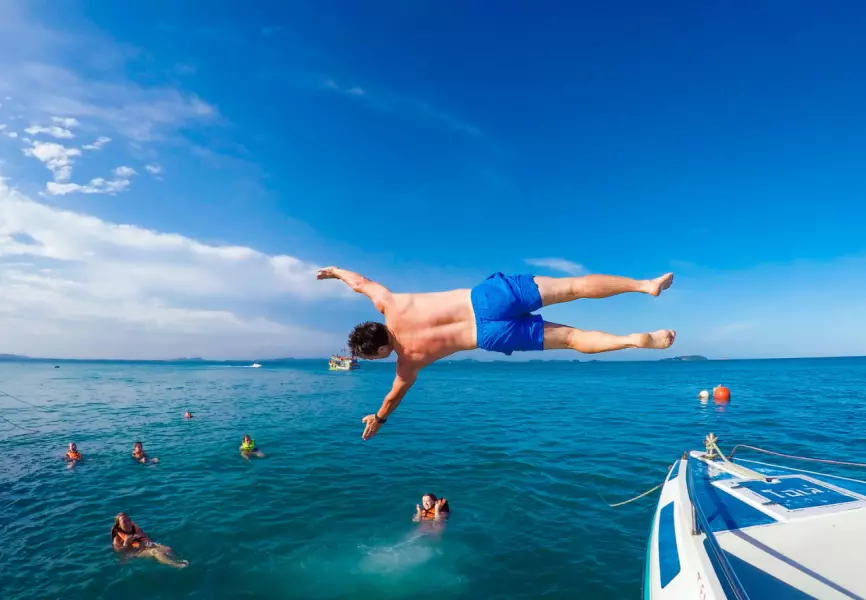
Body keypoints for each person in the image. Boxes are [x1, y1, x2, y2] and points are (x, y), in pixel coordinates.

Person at [317, 266, 676, 440]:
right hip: (487, 299)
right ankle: (646, 286)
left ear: (382, 348)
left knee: (571, 339)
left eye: (374, 357)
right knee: (573, 287)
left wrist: (379, 419)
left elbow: (393, 397)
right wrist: (335, 272)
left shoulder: (409, 362)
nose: (377, 361)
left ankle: (632, 340)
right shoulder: (390, 303)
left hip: (489, 335)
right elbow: (360, 283)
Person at [111, 512, 188, 568]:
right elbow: (120, 553)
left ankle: (177, 559)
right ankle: (175, 565)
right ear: (119, 525)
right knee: (155, 551)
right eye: (124, 522)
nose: (128, 523)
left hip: (146, 545)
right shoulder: (117, 539)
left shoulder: (136, 529)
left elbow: (145, 537)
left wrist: (148, 543)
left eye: (129, 520)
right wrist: (126, 543)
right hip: (136, 552)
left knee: (168, 548)